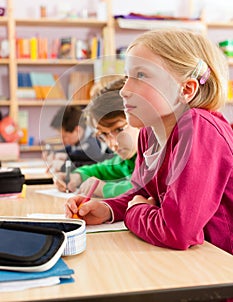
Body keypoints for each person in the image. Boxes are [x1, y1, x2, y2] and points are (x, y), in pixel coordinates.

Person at [65, 28, 233, 256]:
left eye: (141, 75)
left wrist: (136, 212)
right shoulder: (149, 132)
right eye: (127, 77)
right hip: (192, 263)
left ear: (186, 89)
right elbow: (142, 192)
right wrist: (108, 209)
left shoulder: (199, 128)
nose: (124, 91)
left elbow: (177, 231)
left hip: (219, 269)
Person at [55, 77, 139, 198]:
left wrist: (104, 189)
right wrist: (76, 176)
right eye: (103, 134)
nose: (112, 143)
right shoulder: (128, 160)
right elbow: (102, 169)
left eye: (119, 129)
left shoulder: (155, 156)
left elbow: (145, 189)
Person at [48, 105, 112, 172]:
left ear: (77, 130)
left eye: (65, 137)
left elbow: (92, 166)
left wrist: (64, 165)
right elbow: (70, 151)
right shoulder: (79, 140)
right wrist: (54, 154)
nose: (63, 141)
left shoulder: (95, 142)